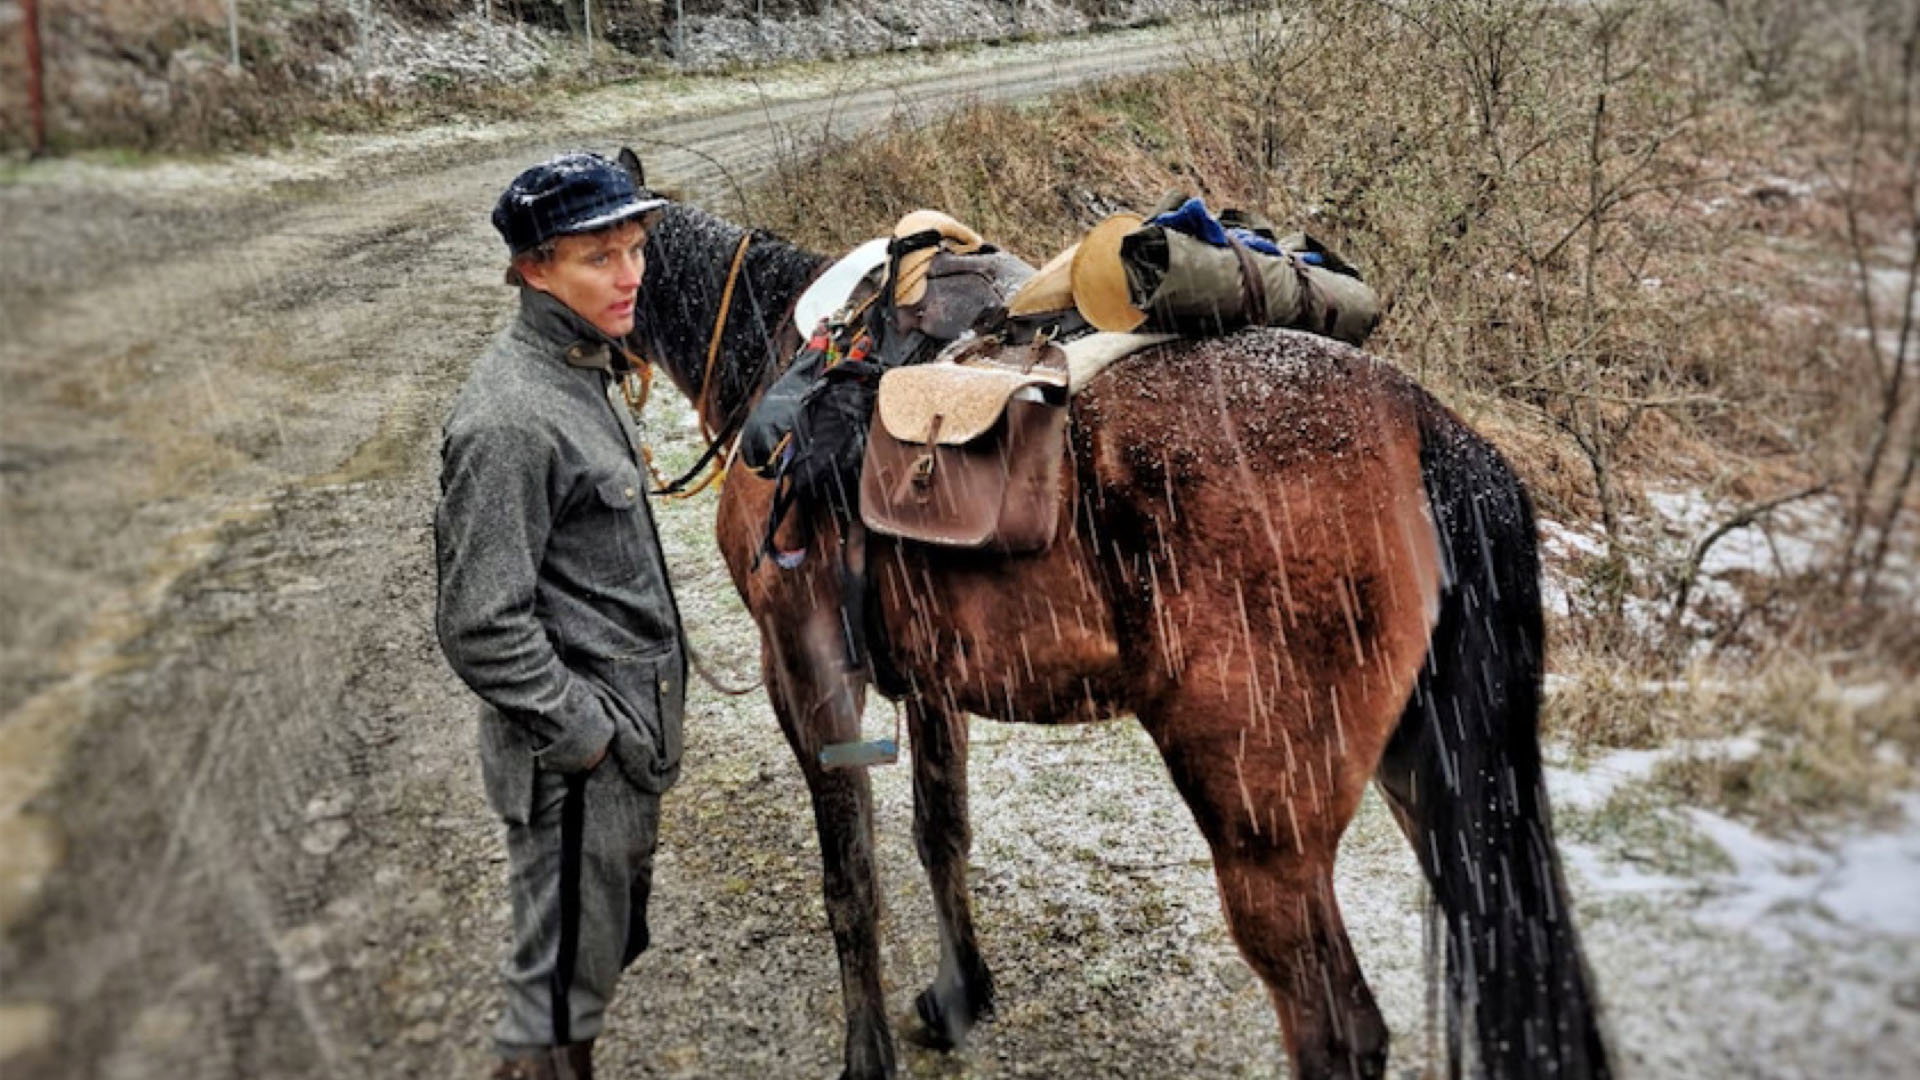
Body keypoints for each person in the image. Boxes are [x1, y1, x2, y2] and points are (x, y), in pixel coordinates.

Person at [435, 150, 686, 1080]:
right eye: (598, 258)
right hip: (577, 775)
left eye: (634, 249)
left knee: (587, 972)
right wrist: (589, 737)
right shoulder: (510, 417)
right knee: (553, 1012)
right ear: (532, 268)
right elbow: (480, 625)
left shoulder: (580, 363)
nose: (630, 277)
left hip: (616, 761)